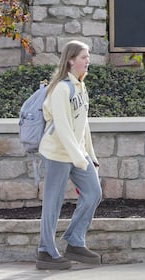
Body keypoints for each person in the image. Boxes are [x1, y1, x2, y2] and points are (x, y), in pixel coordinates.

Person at [36, 40, 102, 270]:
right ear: (71, 60)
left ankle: (74, 240)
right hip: (56, 153)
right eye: (84, 57)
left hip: (76, 153)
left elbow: (83, 125)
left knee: (93, 193)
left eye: (88, 56)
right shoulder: (61, 89)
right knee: (53, 202)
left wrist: (90, 156)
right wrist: (79, 159)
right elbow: (62, 127)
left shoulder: (81, 87)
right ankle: (45, 251)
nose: (88, 60)